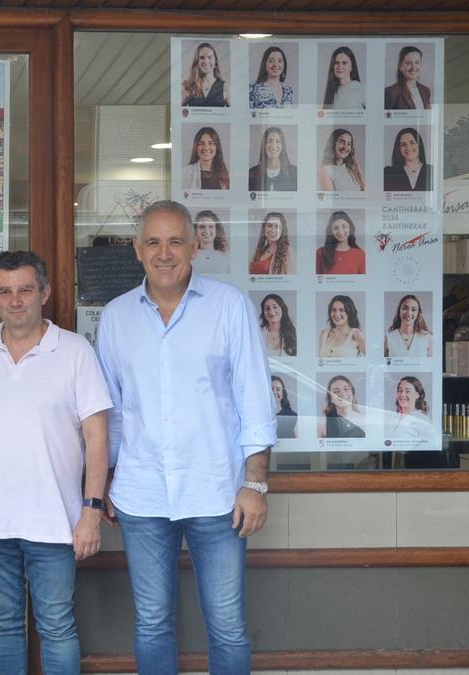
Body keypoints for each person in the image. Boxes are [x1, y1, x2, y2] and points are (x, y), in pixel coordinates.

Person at [96, 200, 275, 675]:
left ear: (195, 246)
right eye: (153, 241)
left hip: (217, 492)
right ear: (137, 250)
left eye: (175, 240)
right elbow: (112, 412)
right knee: (152, 622)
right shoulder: (115, 318)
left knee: (228, 625)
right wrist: (106, 481)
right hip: (142, 494)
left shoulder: (228, 306)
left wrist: (255, 485)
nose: (164, 252)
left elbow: (255, 400)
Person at [0, 250, 111, 675]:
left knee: (57, 626)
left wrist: (91, 512)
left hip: (55, 520)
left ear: (44, 292)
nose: (16, 300)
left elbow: (98, 437)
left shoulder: (75, 351)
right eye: (5, 291)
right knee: (4, 626)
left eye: (26, 289)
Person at [315, 210, 366, 274]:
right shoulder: (320, 253)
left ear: (350, 228)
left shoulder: (361, 255)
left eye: (344, 226)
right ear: (331, 231)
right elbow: (316, 281)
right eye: (336, 228)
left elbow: (364, 282)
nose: (340, 231)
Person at [248, 126, 297, 192]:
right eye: (270, 141)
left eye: (277, 141)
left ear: (282, 146)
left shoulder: (294, 172)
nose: (273, 146)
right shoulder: (252, 173)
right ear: (264, 145)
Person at [385, 293, 434, 358]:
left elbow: (432, 366)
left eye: (413, 310)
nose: (409, 313)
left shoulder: (428, 338)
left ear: (418, 313)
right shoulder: (388, 338)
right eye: (405, 308)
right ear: (399, 310)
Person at [181, 42, 231, 107]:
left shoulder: (225, 87)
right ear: (197, 61)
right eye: (202, 57)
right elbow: (176, 112)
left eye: (210, 57)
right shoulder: (187, 86)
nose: (206, 61)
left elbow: (234, 114)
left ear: (215, 61)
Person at [384, 45, 432, 110]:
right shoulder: (390, 92)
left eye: (417, 62)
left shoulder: (426, 90)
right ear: (400, 66)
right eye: (408, 63)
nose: (413, 67)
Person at [384, 127, 432, 191]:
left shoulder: (431, 171)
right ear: (399, 148)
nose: (408, 147)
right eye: (403, 144)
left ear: (419, 145)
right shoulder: (388, 173)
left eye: (412, 143)